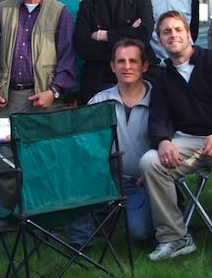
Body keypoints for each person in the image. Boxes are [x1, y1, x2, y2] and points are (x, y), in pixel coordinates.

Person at [140, 12, 212, 259]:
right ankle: (175, 237)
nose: (173, 35)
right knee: (149, 162)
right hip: (186, 141)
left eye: (178, 30)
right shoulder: (163, 78)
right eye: (166, 32)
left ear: (189, 34)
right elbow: (158, 118)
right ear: (160, 41)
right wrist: (162, 141)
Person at [0, 0, 76, 210]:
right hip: (9, 99)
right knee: (7, 164)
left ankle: (46, 219)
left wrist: (54, 92)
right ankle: (6, 219)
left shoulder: (61, 13)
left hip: (45, 100)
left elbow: (67, 59)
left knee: (47, 162)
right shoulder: (3, 10)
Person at [67, 38, 156, 247]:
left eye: (133, 61)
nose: (127, 66)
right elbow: (82, 145)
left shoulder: (159, 100)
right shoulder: (99, 101)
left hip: (142, 181)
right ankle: (82, 242)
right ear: (112, 66)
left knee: (139, 232)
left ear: (144, 65)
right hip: (104, 179)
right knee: (73, 171)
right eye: (121, 61)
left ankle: (114, 216)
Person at [73, 0, 154, 103]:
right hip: (98, 83)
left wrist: (103, 35)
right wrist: (129, 35)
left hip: (139, 80)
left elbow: (143, 35)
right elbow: (83, 47)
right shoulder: (87, 5)